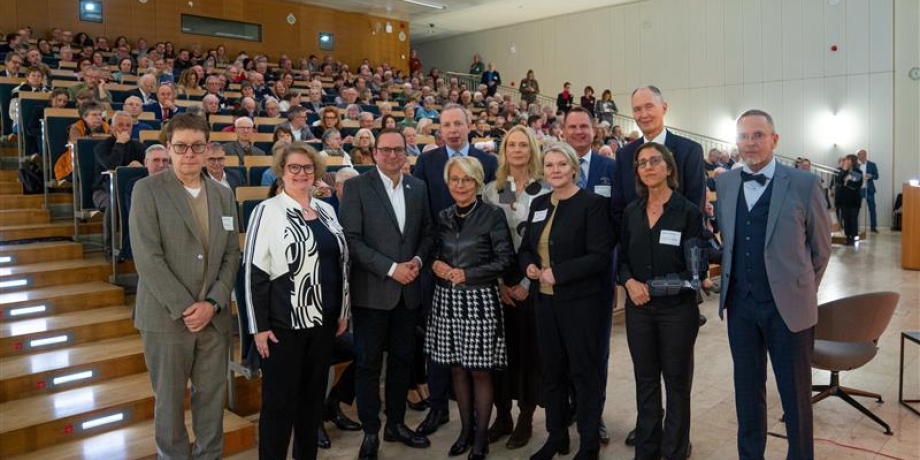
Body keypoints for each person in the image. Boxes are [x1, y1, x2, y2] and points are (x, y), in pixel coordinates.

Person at [715, 109, 831, 460]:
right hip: (740, 305)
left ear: (774, 140)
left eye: (758, 135)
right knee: (747, 391)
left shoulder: (803, 183)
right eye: (744, 137)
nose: (750, 143)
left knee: (795, 395)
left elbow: (821, 250)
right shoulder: (725, 183)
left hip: (789, 308)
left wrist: (797, 287)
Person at [129, 113, 241, 460]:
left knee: (211, 400)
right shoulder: (147, 189)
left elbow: (230, 254)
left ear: (208, 149)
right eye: (181, 147)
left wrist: (213, 303)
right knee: (170, 403)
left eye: (196, 146)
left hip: (214, 319)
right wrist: (186, 308)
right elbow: (147, 257)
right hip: (166, 319)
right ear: (169, 149)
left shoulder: (222, 195)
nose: (189, 154)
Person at [244, 142, 350, 460]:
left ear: (316, 171)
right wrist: (258, 328)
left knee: (311, 403)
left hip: (325, 322)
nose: (301, 173)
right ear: (282, 172)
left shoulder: (328, 210)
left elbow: (340, 263)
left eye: (307, 167)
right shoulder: (267, 211)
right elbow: (253, 273)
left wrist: (342, 311)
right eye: (294, 167)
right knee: (279, 406)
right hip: (283, 325)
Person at [339, 128, 435, 460]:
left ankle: (396, 423)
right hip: (373, 293)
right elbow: (352, 240)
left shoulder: (418, 187)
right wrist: (392, 268)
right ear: (374, 153)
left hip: (409, 293)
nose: (393, 155)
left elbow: (427, 232)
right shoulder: (356, 187)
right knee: (368, 364)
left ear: (406, 153)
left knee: (403, 361)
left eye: (398, 150)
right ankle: (370, 431)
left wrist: (419, 262)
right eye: (386, 150)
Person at [519, 142, 612, 460]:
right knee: (552, 372)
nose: (555, 170)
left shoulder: (592, 204)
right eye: (549, 165)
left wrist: (559, 273)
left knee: (583, 374)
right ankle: (556, 436)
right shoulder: (539, 203)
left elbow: (599, 257)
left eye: (561, 164)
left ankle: (588, 443)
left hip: (580, 305)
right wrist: (528, 265)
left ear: (574, 168)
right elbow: (527, 247)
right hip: (543, 304)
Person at [412, 104, 499, 436]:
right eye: (446, 124)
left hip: (478, 271)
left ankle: (484, 420)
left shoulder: (489, 162)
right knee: (437, 343)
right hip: (438, 267)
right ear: (440, 129)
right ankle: (437, 408)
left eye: (457, 123)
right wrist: (432, 260)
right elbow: (422, 215)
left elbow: (493, 216)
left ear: (468, 125)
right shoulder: (427, 161)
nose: (452, 129)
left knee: (477, 352)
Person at [619, 142, 703, 460]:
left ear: (668, 167)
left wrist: (648, 288)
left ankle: (674, 451)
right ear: (638, 172)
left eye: (655, 161)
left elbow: (694, 277)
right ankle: (647, 450)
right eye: (642, 163)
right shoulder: (631, 212)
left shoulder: (689, 212)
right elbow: (623, 260)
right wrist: (628, 281)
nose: (649, 167)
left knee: (677, 385)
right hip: (638, 312)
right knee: (646, 382)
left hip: (677, 314)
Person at [427, 155, 514, 460]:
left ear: (477, 183)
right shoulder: (444, 215)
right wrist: (436, 263)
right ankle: (465, 430)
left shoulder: (492, 215)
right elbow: (435, 251)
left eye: (467, 180)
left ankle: (481, 438)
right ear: (448, 183)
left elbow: (505, 260)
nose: (460, 185)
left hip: (480, 299)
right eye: (455, 179)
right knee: (457, 368)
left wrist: (469, 274)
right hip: (447, 299)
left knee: (479, 371)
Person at [481, 126, 549, 450]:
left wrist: (524, 282)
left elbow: (545, 243)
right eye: (512, 144)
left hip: (533, 283)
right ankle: (503, 414)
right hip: (499, 284)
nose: (518, 150)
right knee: (500, 355)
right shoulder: (494, 190)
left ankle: (525, 416)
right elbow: (485, 241)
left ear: (532, 149)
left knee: (529, 354)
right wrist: (500, 285)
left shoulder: (546, 189)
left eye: (524, 145)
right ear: (504, 149)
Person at [93, 111, 146, 255]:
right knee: (114, 203)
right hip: (103, 191)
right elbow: (111, 165)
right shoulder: (101, 147)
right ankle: (111, 247)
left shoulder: (138, 146)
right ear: (111, 127)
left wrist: (141, 166)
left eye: (128, 125)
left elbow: (149, 166)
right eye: (120, 125)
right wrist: (120, 143)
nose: (124, 128)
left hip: (131, 191)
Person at [836, 154, 863, 246]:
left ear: (852, 161)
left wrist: (846, 182)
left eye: (847, 160)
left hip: (854, 200)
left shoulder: (858, 171)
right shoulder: (843, 171)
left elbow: (856, 185)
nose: (845, 161)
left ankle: (854, 237)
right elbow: (839, 181)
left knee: (853, 219)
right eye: (845, 160)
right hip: (844, 199)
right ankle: (848, 237)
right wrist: (843, 172)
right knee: (846, 219)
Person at [857, 149, 879, 232]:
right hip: (859, 190)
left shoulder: (872, 165)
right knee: (856, 208)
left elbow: (877, 176)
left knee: (872, 208)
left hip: (869, 190)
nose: (858, 157)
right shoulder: (857, 166)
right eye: (858, 155)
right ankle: (855, 227)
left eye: (859, 155)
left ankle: (873, 227)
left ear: (864, 155)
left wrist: (871, 176)